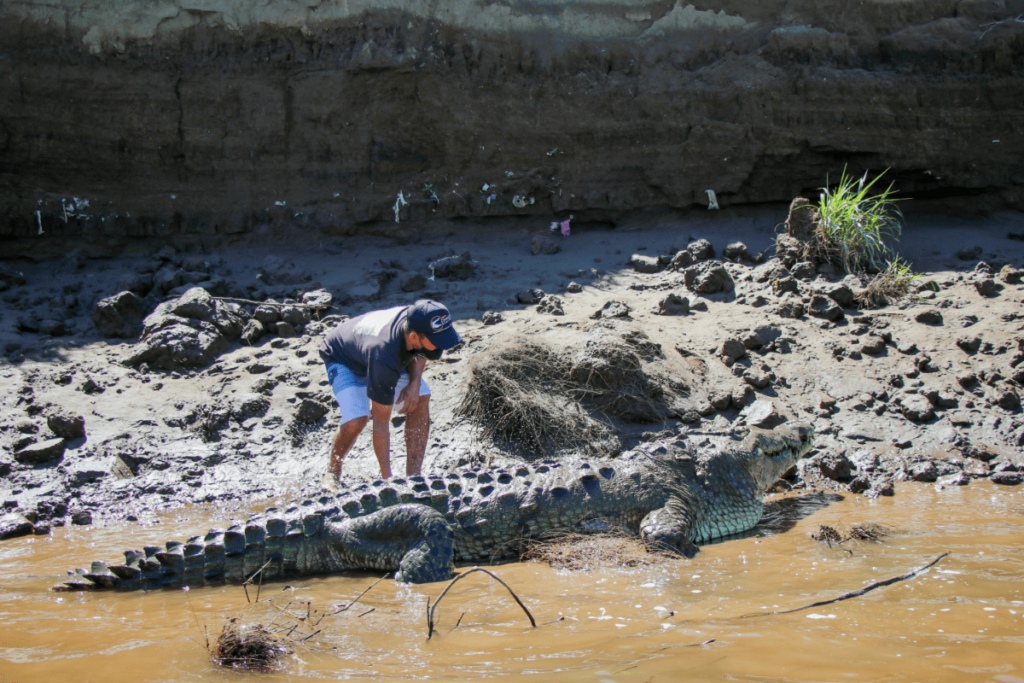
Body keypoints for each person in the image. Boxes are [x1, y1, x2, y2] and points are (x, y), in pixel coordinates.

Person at [318, 299, 461, 482]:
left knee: (420, 398)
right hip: (343, 357)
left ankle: (414, 476)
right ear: (414, 337)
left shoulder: (418, 316)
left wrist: (415, 383)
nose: (441, 345)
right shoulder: (384, 355)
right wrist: (389, 482)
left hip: (376, 349)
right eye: (436, 341)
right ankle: (332, 471)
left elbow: (421, 352)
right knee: (357, 419)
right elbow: (381, 424)